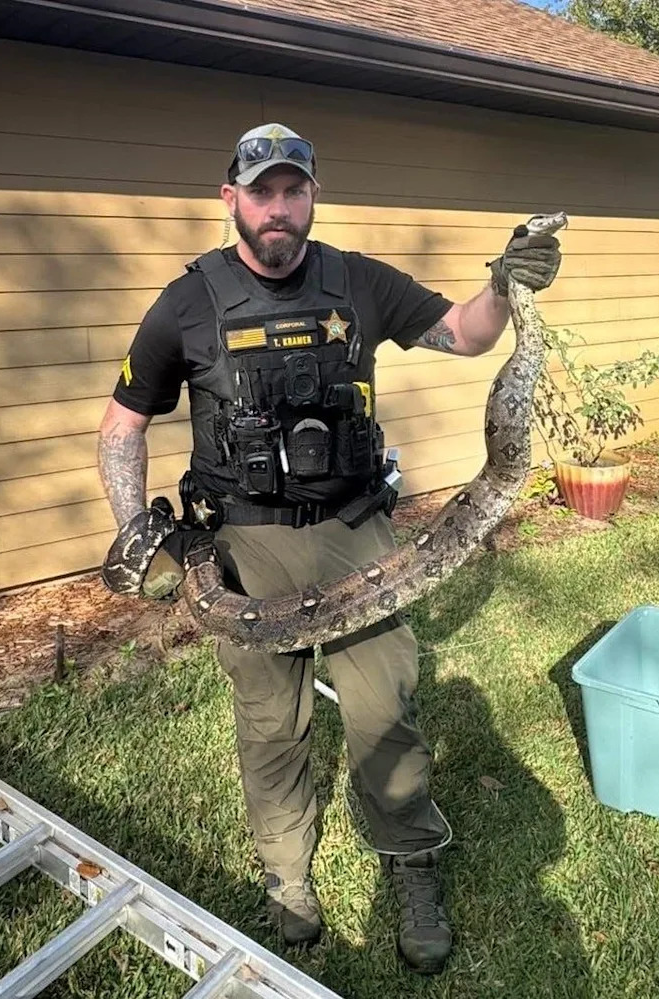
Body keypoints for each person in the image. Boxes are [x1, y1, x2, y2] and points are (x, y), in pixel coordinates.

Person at [97, 123, 560, 974]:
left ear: (313, 196)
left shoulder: (358, 281)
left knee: (386, 709)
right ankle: (287, 879)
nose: (279, 208)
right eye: (262, 191)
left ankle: (413, 865)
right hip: (245, 540)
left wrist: (503, 285)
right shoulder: (188, 302)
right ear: (231, 198)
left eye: (294, 189)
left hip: (358, 531)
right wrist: (137, 533)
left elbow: (463, 333)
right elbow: (124, 423)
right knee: (271, 725)